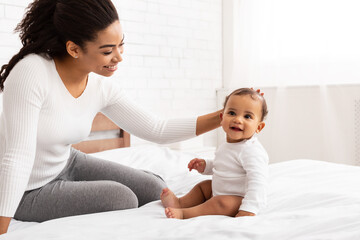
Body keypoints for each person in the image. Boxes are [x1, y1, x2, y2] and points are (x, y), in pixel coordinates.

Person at [0, 0, 222, 235]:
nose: (118, 57)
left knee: (155, 187)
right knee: (121, 197)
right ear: (74, 49)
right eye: (107, 51)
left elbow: (157, 129)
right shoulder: (31, 72)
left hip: (66, 163)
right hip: (27, 189)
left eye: (120, 45)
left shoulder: (99, 87)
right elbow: (17, 158)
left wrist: (224, 117)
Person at [161, 88, 269, 219]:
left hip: (238, 200)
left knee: (219, 202)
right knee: (204, 186)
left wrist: (249, 208)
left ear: (259, 127)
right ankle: (180, 203)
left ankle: (185, 214)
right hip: (219, 192)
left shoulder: (251, 151)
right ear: (222, 118)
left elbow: (258, 181)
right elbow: (224, 166)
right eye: (232, 113)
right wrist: (206, 166)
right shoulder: (226, 145)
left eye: (247, 116)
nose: (238, 120)